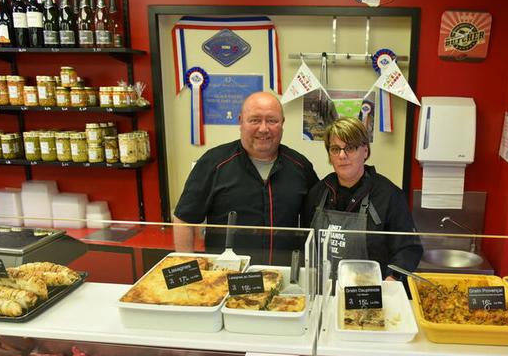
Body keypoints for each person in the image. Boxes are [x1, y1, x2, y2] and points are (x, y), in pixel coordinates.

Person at [173, 91, 319, 263]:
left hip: (285, 276)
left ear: (282, 124)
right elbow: (184, 219)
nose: (264, 128)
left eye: (272, 120)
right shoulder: (213, 163)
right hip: (226, 277)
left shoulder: (300, 167)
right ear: (240, 121)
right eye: (255, 120)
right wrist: (187, 268)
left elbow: (317, 222)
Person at [302, 117, 422, 280]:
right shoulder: (317, 193)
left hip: (370, 293)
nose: (342, 156)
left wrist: (392, 279)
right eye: (335, 149)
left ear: (365, 150)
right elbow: (305, 242)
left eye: (350, 148)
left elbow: (409, 248)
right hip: (323, 291)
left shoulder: (389, 195)